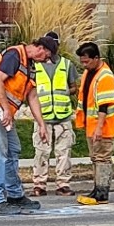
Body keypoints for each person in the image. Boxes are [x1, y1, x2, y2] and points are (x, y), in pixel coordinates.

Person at [0, 37, 50, 213]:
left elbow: (32, 96)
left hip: (2, 110)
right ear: (40, 48)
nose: (46, 60)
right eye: (46, 56)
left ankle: (15, 195)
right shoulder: (14, 55)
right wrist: (6, 109)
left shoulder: (30, 65)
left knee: (12, 149)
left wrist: (41, 124)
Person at [73, 41, 114, 205]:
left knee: (102, 158)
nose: (84, 65)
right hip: (91, 125)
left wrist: (99, 128)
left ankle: (102, 192)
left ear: (96, 58)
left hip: (103, 127)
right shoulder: (90, 73)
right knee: (95, 158)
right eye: (82, 62)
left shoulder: (104, 76)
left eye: (87, 61)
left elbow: (104, 105)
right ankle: (97, 189)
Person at [29, 31, 76, 196]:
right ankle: (39, 185)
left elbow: (73, 87)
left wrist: (64, 92)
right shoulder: (34, 66)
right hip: (42, 117)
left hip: (63, 116)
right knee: (41, 152)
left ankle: (63, 184)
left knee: (64, 152)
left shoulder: (67, 65)